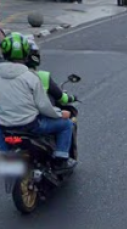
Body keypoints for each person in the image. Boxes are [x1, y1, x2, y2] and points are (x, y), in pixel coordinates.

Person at [0, 32, 75, 170]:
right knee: (67, 124)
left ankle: (3, 155)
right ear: (26, 54)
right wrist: (60, 114)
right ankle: (61, 159)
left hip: (4, 126)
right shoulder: (31, 77)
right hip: (30, 125)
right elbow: (44, 106)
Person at [26, 39, 75, 108]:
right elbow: (62, 98)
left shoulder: (10, 77)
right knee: (67, 113)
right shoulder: (43, 76)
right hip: (39, 113)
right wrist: (72, 98)